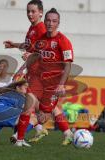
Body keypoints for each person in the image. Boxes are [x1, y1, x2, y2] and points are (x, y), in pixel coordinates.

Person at [14, 8, 74, 147]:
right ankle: (19, 140)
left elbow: (68, 65)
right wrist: (21, 69)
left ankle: (66, 133)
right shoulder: (41, 39)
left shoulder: (63, 41)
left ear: (58, 23)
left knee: (43, 116)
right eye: (48, 20)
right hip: (38, 81)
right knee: (27, 107)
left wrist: (61, 84)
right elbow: (34, 55)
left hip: (53, 84)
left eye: (54, 21)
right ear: (45, 21)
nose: (50, 23)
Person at [4, 0, 49, 143]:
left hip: (40, 75)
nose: (30, 14)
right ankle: (30, 133)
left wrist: (30, 56)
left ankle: (20, 136)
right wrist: (14, 45)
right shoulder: (32, 28)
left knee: (32, 107)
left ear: (41, 12)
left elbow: (45, 52)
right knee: (30, 107)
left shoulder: (42, 29)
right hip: (32, 73)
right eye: (28, 11)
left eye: (33, 11)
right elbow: (29, 46)